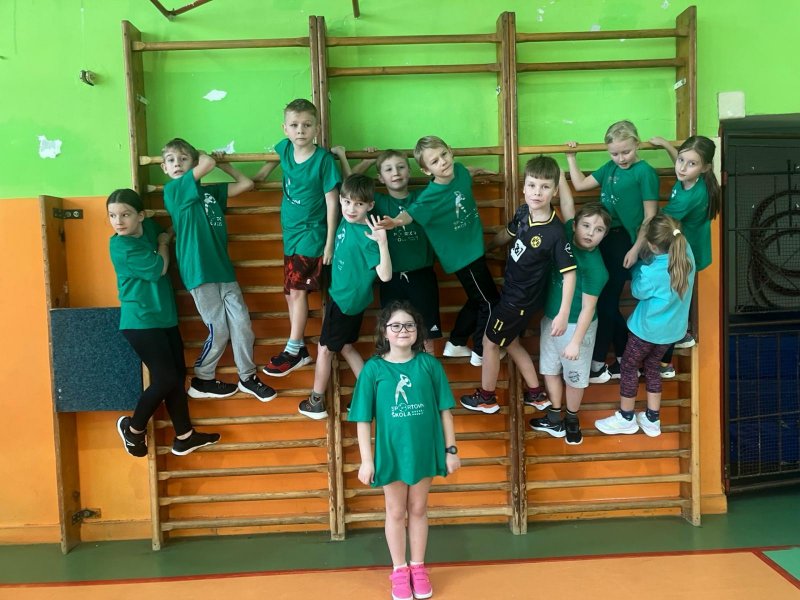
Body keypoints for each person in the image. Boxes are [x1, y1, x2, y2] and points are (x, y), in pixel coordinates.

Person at [349, 301, 460, 600]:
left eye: (409, 325)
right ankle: (399, 570)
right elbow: (362, 419)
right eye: (396, 325)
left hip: (424, 450)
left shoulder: (429, 365)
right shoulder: (373, 369)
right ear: (384, 331)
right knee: (396, 511)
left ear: (417, 331)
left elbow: (445, 411)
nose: (403, 330)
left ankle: (418, 568)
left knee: (419, 508)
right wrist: (366, 461)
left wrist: (451, 449)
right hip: (391, 453)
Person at [161, 138, 277, 402]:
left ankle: (247, 377)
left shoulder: (210, 193)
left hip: (223, 270)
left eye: (183, 159)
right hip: (199, 272)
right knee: (220, 330)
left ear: (192, 163)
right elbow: (207, 163)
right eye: (171, 160)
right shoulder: (174, 190)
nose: (177, 164)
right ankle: (202, 378)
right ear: (164, 168)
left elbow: (246, 184)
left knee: (243, 325)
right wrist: (205, 157)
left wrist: (225, 165)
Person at [108, 188, 220, 457]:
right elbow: (160, 267)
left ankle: (184, 436)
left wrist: (173, 230)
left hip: (165, 317)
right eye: (112, 216)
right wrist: (163, 244)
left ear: (141, 215)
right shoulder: (121, 247)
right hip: (140, 321)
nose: (118, 221)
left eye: (125, 214)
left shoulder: (148, 227)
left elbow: (165, 232)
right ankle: (133, 429)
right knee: (166, 378)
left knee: (177, 377)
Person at [460, 157, 576, 414]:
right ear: (524, 187)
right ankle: (536, 394)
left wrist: (563, 313)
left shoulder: (555, 233)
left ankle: (487, 397)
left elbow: (570, 274)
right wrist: (486, 249)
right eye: (532, 185)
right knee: (511, 343)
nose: (537, 192)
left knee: (490, 342)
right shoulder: (524, 212)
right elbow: (507, 234)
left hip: (519, 301)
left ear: (555, 191)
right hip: (511, 294)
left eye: (545, 187)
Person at [377, 135, 501, 367]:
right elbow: (410, 213)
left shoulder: (460, 171)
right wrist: (395, 222)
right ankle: (481, 350)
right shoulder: (430, 195)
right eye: (434, 161)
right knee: (490, 301)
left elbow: (466, 172)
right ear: (426, 170)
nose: (442, 162)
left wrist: (481, 170)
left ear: (450, 151)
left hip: (474, 249)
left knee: (478, 299)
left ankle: (457, 341)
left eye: (444, 155)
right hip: (462, 257)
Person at [566, 120, 659, 383]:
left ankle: (609, 359)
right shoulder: (610, 167)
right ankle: (620, 357)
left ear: (637, 144)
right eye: (615, 153)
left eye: (626, 152)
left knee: (606, 303)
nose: (621, 158)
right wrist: (572, 157)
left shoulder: (645, 172)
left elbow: (650, 216)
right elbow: (580, 184)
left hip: (625, 241)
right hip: (604, 237)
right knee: (603, 303)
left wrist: (636, 247)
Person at [254, 99, 342, 377]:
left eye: (307, 125)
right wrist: (236, 169)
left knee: (298, 291)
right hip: (290, 235)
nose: (300, 130)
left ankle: (293, 349)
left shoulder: (323, 160)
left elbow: (332, 202)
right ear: (285, 129)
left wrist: (329, 243)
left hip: (311, 235)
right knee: (290, 293)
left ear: (317, 128)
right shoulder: (284, 149)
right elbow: (260, 175)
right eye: (294, 125)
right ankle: (300, 348)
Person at [298, 174, 392, 419]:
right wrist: (341, 157)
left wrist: (383, 244)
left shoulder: (368, 235)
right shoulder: (345, 219)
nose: (351, 208)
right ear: (340, 200)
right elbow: (351, 185)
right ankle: (371, 396)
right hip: (346, 300)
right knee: (347, 347)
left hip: (345, 302)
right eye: (347, 202)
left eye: (359, 204)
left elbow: (385, 276)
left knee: (325, 350)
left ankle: (316, 401)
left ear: (370, 205)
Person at [332, 146, 442, 354]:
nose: (396, 173)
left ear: (410, 171)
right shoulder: (378, 202)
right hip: (391, 280)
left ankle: (428, 374)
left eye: (401, 167)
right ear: (380, 177)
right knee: (393, 337)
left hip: (422, 276)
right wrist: (359, 158)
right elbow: (351, 186)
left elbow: (445, 181)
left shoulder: (422, 197)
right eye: (389, 169)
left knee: (427, 337)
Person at [595, 214, 695, 437]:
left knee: (629, 366)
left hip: (646, 333)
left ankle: (626, 417)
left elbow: (637, 291)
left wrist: (637, 268)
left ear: (652, 246)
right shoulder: (686, 253)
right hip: (671, 333)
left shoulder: (651, 273)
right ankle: (652, 418)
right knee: (652, 367)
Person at [530, 172, 611, 445]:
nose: (590, 233)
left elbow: (588, 308)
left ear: (604, 235)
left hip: (578, 327)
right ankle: (555, 416)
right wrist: (561, 175)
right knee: (549, 369)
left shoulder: (596, 269)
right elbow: (566, 204)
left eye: (598, 230)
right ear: (575, 225)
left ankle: (572, 418)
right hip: (551, 319)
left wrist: (576, 342)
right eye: (586, 226)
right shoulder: (565, 233)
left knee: (575, 378)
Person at [649, 135, 721, 376]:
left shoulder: (692, 196)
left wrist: (641, 230)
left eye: (691, 164)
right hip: (688, 249)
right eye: (681, 160)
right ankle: (680, 336)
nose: (682, 167)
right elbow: (682, 163)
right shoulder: (691, 179)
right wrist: (667, 145)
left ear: (705, 168)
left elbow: (660, 220)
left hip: (687, 254)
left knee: (674, 304)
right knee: (678, 301)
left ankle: (665, 362)